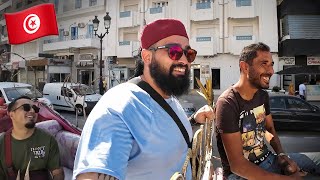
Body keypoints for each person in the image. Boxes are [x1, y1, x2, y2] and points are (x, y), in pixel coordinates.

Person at [73, 19, 214, 180]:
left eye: (189, 54)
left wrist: (193, 121)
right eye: (174, 51)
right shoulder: (120, 106)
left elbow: (157, 136)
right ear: (147, 56)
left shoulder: (169, 98)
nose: (183, 60)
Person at [215, 42, 320, 180]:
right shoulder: (228, 103)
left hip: (270, 160)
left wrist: (282, 155)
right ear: (245, 67)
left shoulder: (262, 95)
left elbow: (269, 128)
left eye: (271, 64)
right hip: (242, 175)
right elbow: (238, 166)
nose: (271, 71)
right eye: (264, 63)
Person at [0, 96, 64, 180]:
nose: (32, 111)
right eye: (26, 107)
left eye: (35, 108)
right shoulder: (2, 143)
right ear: (12, 114)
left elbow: (57, 172)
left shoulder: (48, 140)